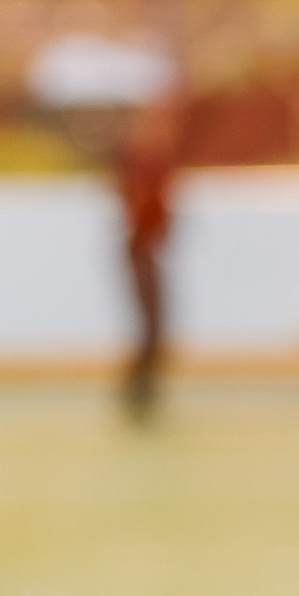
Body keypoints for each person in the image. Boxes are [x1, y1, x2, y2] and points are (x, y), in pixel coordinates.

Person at [114, 99, 182, 422]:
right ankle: (137, 395)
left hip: (147, 252)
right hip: (141, 252)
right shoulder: (139, 166)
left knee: (155, 328)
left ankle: (144, 394)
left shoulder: (153, 165)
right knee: (150, 328)